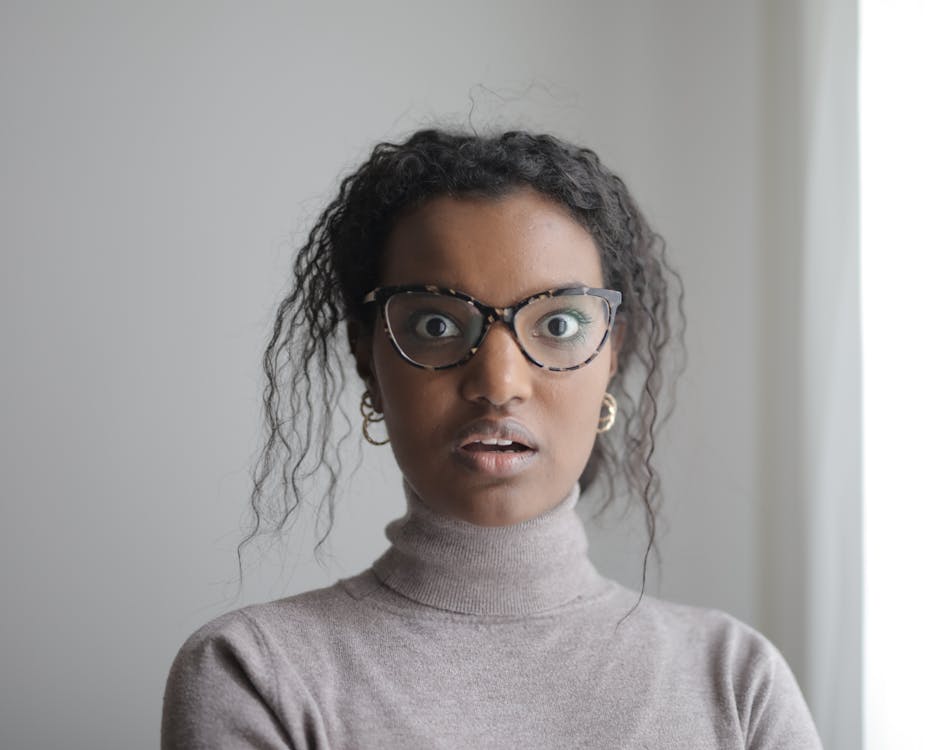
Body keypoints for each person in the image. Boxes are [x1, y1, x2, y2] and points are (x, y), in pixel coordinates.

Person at [161, 129, 822, 749]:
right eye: (435, 325)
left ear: (611, 352)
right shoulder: (255, 671)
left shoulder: (735, 679)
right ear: (368, 354)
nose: (498, 383)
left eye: (557, 324)